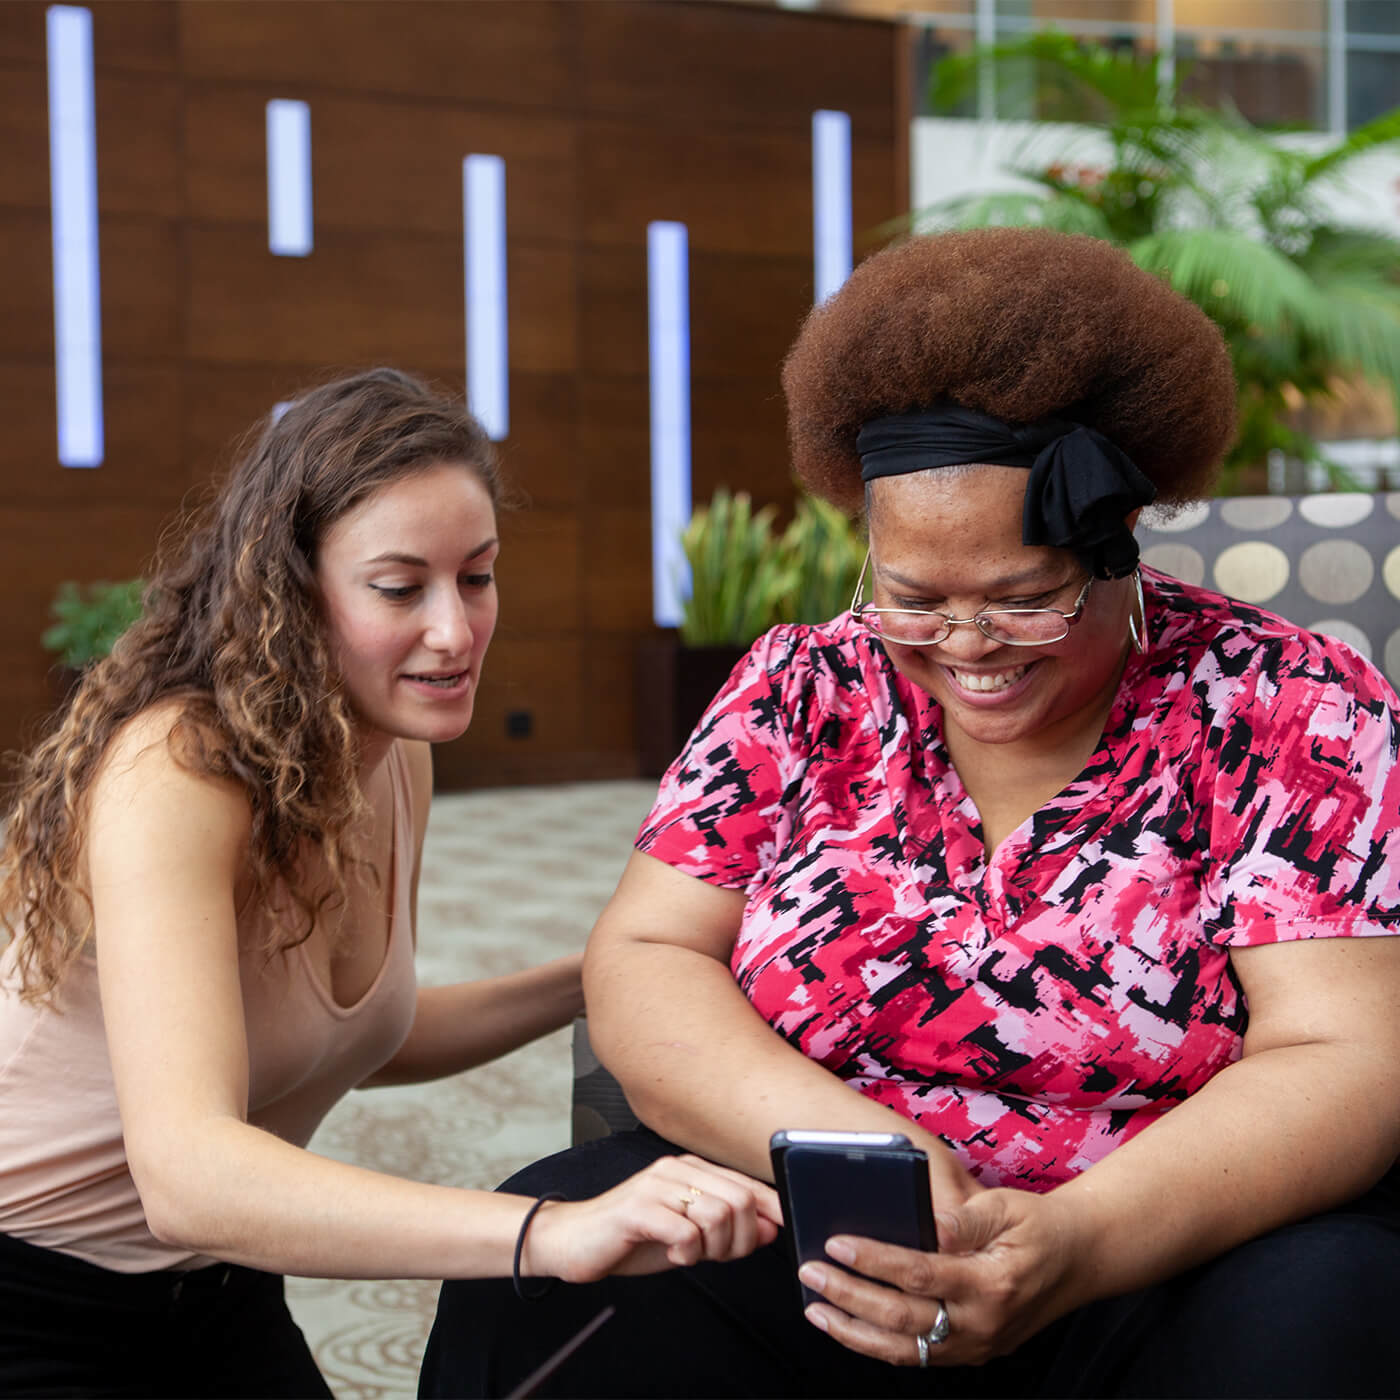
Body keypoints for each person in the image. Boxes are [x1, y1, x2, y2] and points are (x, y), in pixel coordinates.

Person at [421, 230, 1400, 1399]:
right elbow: (646, 949)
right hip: (824, 1236)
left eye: (1024, 598)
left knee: (1332, 1310)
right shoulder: (803, 685)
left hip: (1162, 1254)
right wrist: (871, 1154)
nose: (967, 647)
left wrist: (1074, 1241)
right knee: (547, 1255)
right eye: (912, 598)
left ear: (1117, 542)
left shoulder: (1287, 705)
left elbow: (1340, 1051)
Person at [0, 368, 780, 1398]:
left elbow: (369, 1031)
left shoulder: (387, 751)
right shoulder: (178, 770)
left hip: (217, 1286)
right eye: (399, 586)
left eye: (478, 575)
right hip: (34, 1289)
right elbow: (188, 1176)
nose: (454, 632)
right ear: (290, 585)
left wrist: (616, 966)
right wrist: (548, 1231)